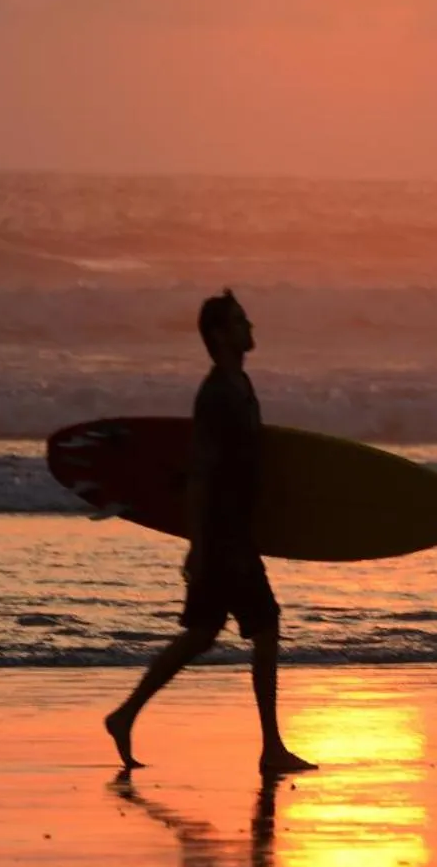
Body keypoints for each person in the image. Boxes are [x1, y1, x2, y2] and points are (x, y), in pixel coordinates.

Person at [103, 290, 314, 777]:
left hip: (233, 531)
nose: (250, 326)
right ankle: (271, 748)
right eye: (241, 320)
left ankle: (125, 715)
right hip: (224, 537)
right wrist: (199, 545)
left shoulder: (240, 383)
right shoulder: (218, 392)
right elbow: (201, 470)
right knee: (265, 628)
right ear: (221, 334)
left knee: (201, 635)